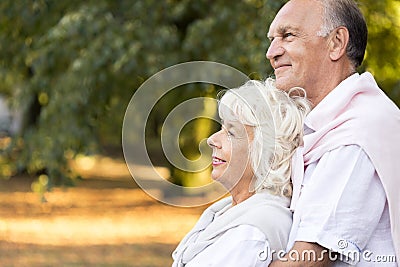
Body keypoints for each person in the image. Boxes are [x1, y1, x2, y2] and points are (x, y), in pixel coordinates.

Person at [266, 0, 400, 266]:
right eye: (271, 40)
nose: (271, 52)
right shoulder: (326, 128)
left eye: (287, 35)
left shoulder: (359, 132)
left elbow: (305, 261)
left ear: (336, 42)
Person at [171, 79, 310, 267]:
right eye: (221, 128)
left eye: (231, 132)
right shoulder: (227, 211)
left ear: (266, 153)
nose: (212, 140)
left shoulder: (253, 232)